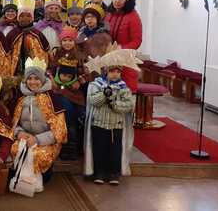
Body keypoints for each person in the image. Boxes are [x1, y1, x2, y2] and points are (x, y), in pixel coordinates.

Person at [84, 44, 140, 185]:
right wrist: (104, 94)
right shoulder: (96, 85)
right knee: (100, 149)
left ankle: (114, 173)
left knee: (115, 151)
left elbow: (128, 105)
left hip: (116, 126)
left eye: (117, 71)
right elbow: (93, 101)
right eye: (111, 71)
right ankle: (100, 172)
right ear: (104, 72)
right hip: (99, 124)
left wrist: (114, 102)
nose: (115, 74)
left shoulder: (123, 88)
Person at [11, 57, 67, 190]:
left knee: (38, 155)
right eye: (30, 78)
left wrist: (36, 139)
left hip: (46, 141)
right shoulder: (21, 98)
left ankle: (40, 178)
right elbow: (12, 124)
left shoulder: (51, 99)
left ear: (42, 80)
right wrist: (20, 133)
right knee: (15, 149)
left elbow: (59, 131)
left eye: (36, 78)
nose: (33, 82)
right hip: (25, 138)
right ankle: (23, 181)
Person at [49, 27, 89, 160]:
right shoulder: (57, 54)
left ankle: (76, 147)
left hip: (74, 92)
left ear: (74, 42)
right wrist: (51, 80)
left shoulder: (79, 56)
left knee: (79, 115)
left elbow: (86, 73)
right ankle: (66, 148)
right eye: (65, 40)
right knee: (67, 117)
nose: (67, 43)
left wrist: (80, 81)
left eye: (70, 40)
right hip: (60, 91)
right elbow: (50, 70)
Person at [105, 0, 142, 93]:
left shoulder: (133, 16)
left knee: (125, 94)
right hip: (109, 59)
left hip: (126, 61)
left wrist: (120, 49)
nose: (117, 1)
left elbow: (137, 41)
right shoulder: (109, 15)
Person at [6, 0, 49, 77]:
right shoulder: (12, 34)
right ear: (18, 17)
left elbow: (45, 52)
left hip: (34, 72)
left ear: (32, 18)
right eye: (22, 16)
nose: (25, 18)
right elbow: (7, 54)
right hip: (16, 70)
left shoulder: (37, 33)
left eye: (28, 16)